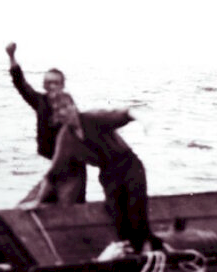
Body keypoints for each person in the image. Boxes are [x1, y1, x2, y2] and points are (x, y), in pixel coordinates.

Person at [23, 91, 163, 254]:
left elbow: (124, 113)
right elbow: (53, 173)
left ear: (73, 106)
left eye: (65, 107)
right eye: (57, 111)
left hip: (130, 166)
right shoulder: (66, 138)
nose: (62, 113)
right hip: (108, 174)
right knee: (117, 215)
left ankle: (148, 251)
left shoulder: (92, 118)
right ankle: (131, 252)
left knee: (136, 210)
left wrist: (144, 121)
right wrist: (38, 201)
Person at [6, 42, 87, 205]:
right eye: (48, 83)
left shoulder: (67, 102)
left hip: (73, 166)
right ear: (44, 85)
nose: (51, 86)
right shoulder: (40, 102)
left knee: (69, 205)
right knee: (34, 203)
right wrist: (11, 57)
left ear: (62, 85)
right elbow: (20, 84)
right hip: (55, 164)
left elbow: (80, 130)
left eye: (55, 82)